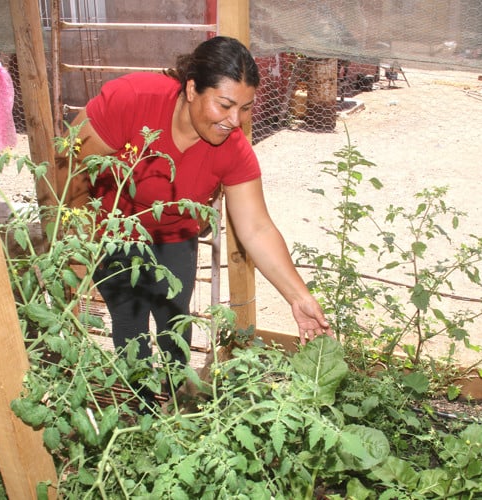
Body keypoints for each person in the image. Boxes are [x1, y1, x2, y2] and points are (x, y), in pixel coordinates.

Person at [60, 36, 332, 368]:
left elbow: (257, 228)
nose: (236, 121)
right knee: (130, 327)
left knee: (175, 320)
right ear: (191, 90)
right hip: (117, 230)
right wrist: (79, 237)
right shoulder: (132, 100)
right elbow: (70, 163)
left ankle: (175, 399)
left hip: (176, 234)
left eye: (245, 108)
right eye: (225, 105)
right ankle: (139, 405)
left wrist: (299, 297)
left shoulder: (233, 148)